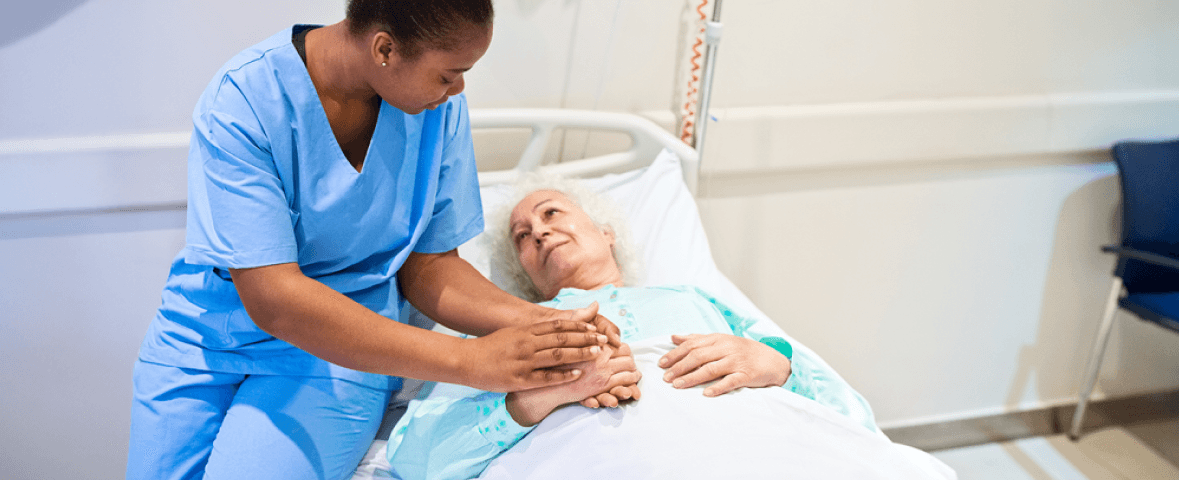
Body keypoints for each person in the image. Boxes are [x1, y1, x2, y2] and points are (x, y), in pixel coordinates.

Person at [126, 2, 634, 479]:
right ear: (385, 50)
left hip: (345, 346)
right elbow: (274, 298)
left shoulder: (434, 109)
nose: (456, 90)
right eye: (448, 73)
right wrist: (471, 361)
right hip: (205, 332)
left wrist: (547, 323)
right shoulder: (244, 101)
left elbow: (429, 265)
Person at [385, 177, 881, 480]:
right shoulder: (503, 330)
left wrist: (775, 366)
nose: (538, 231)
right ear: (524, 276)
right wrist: (540, 396)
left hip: (760, 452)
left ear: (605, 232)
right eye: (523, 237)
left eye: (551, 212)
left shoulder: (693, 300)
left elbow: (850, 414)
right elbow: (416, 458)